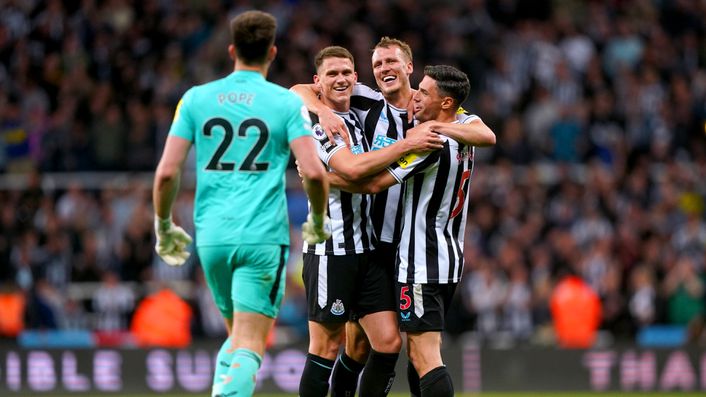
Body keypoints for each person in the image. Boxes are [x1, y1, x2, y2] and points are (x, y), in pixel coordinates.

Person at [292, 37, 495, 396]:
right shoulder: (367, 103)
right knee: (361, 345)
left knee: (404, 346)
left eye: (391, 62)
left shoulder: (433, 110)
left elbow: (485, 133)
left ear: (409, 68)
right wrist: (321, 109)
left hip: (411, 249)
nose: (385, 69)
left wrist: (435, 130)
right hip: (375, 243)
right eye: (378, 64)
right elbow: (298, 89)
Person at [152, 10, 330, 397]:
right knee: (250, 343)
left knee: (236, 339)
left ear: (232, 50)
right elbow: (315, 173)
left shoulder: (195, 99)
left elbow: (167, 173)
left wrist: (163, 225)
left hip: (212, 237)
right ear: (273, 52)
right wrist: (318, 219)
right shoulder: (284, 103)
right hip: (262, 238)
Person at [298, 46, 443, 397]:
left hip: (367, 248)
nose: (341, 79)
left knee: (388, 341)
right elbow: (352, 169)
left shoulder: (359, 111)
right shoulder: (318, 125)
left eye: (347, 72)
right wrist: (406, 144)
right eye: (332, 74)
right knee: (326, 346)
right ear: (318, 83)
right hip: (331, 249)